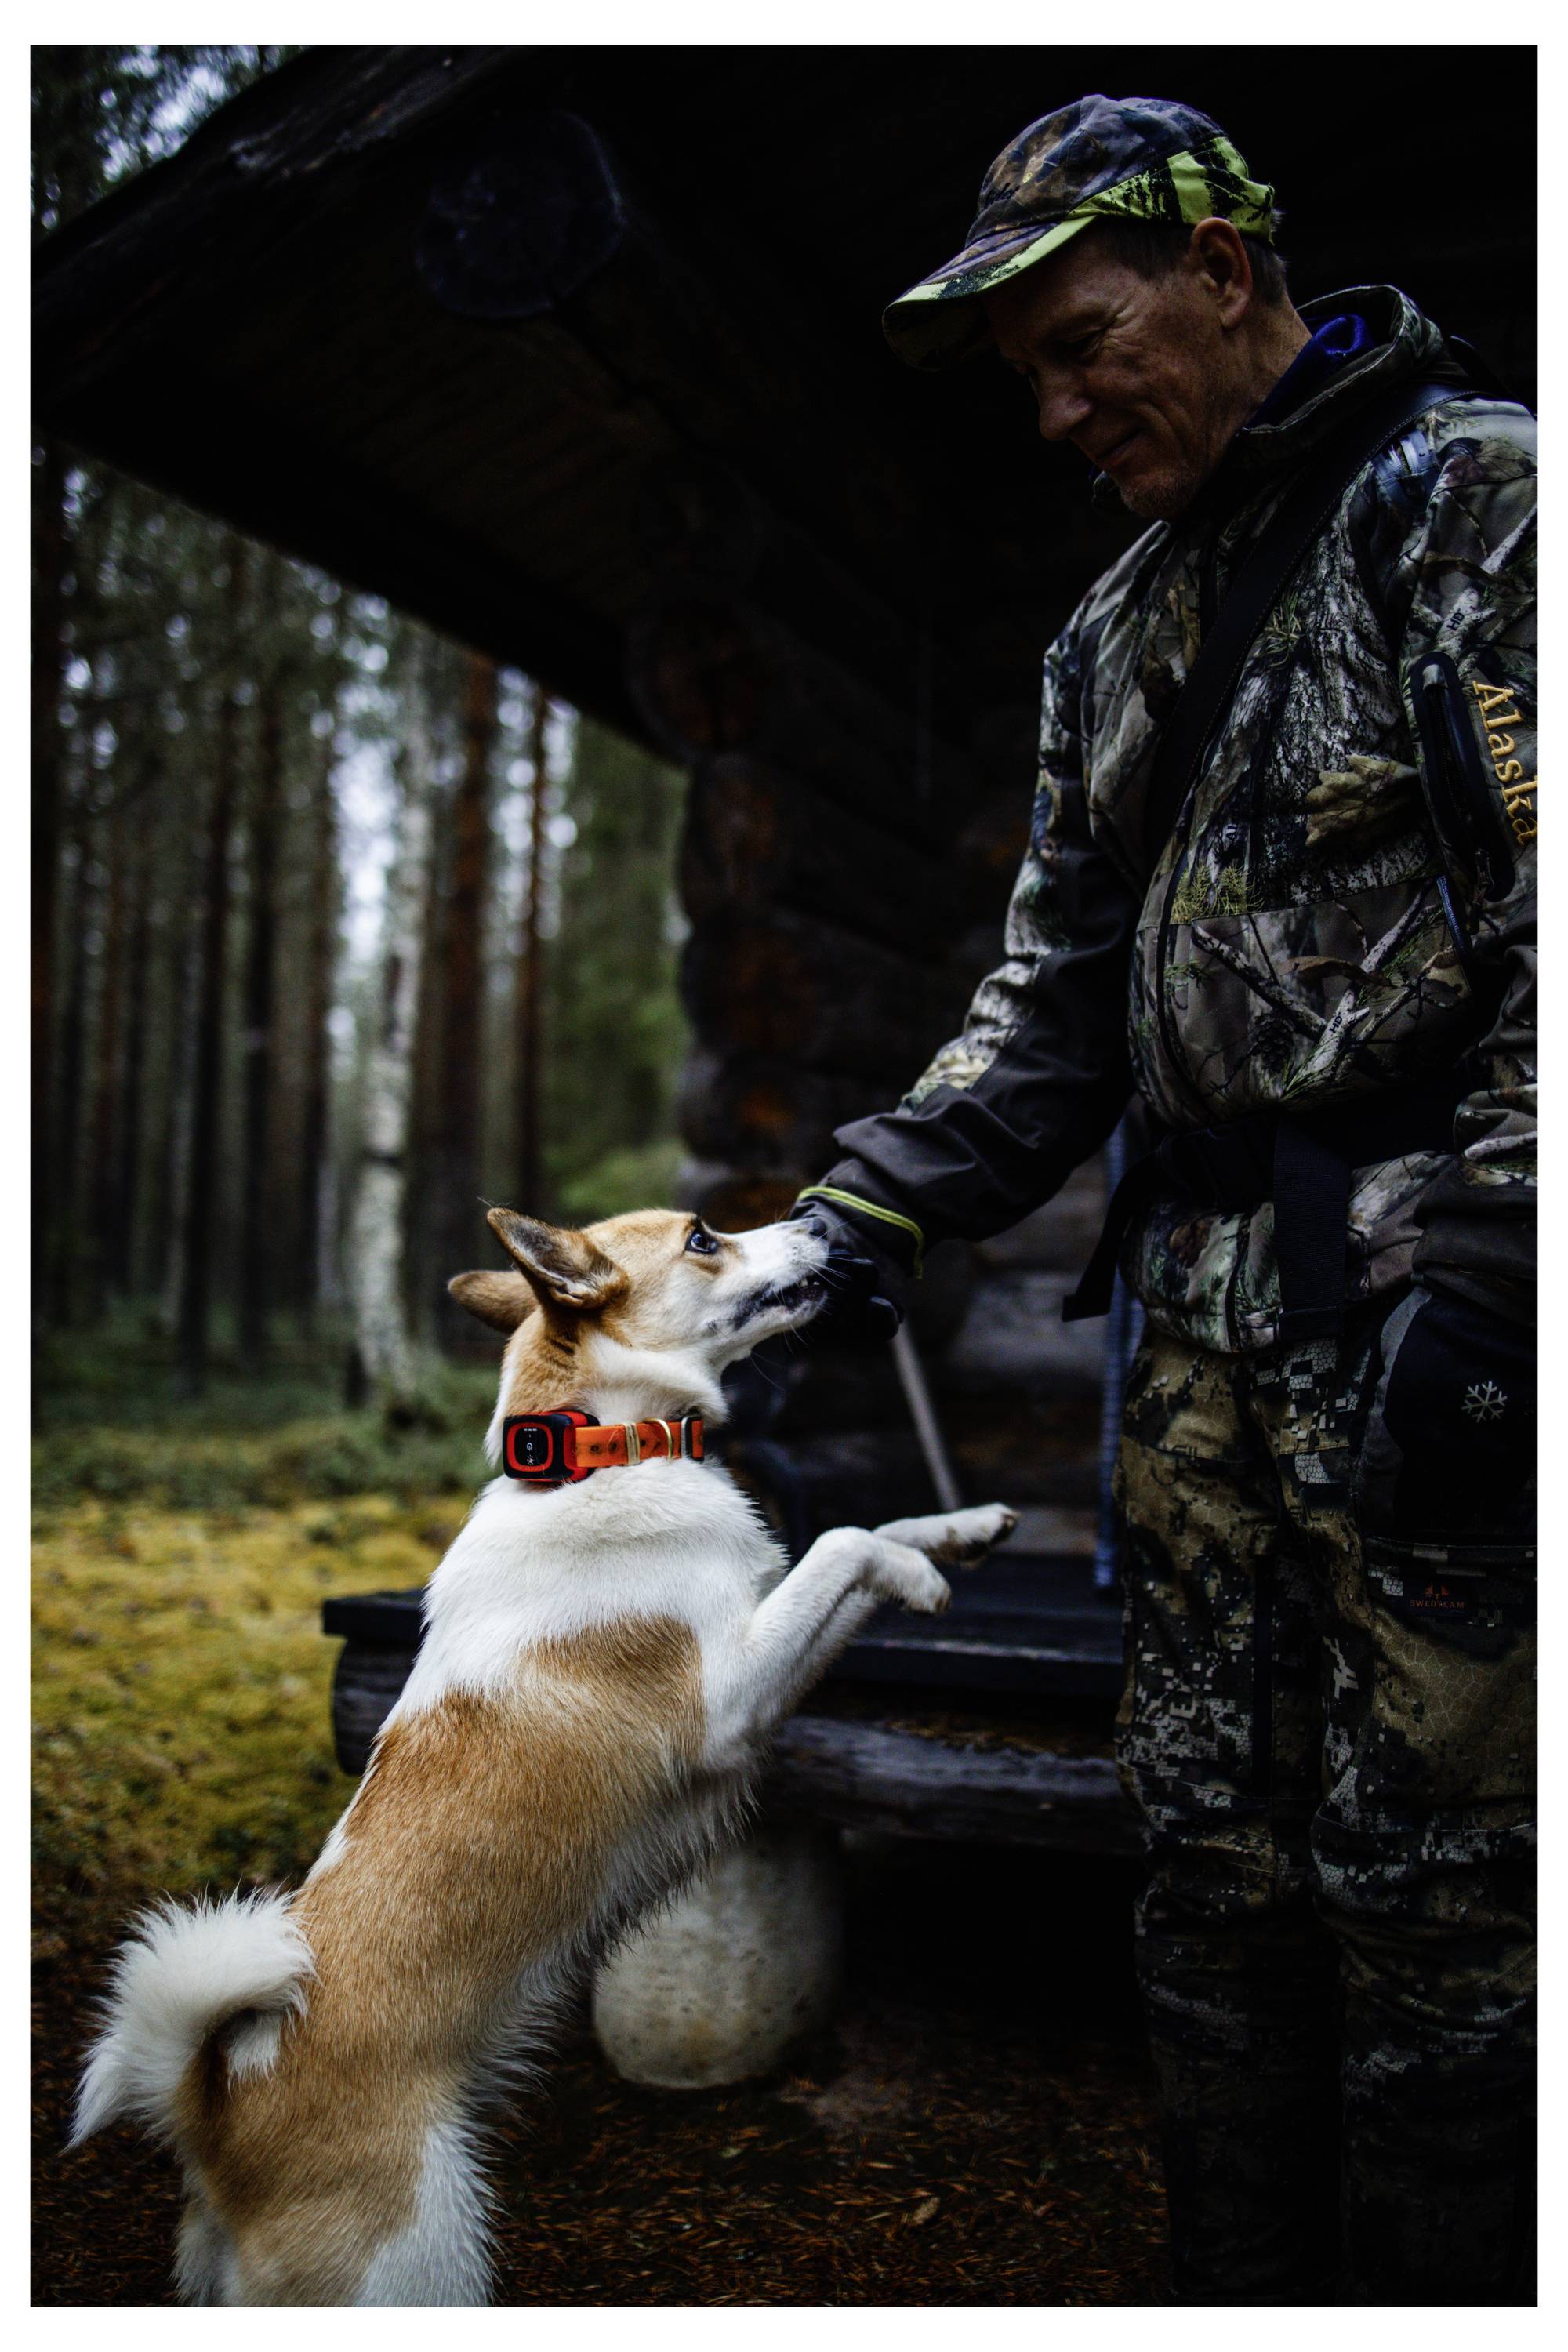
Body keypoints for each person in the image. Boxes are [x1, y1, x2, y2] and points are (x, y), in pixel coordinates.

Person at [789, 95, 1536, 2307]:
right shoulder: (1112, 634)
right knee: (1209, 1881)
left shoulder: (1482, 508)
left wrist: (1503, 1288)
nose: (1052, 410)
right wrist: (858, 1221)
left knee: (1440, 1909)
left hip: (1431, 1328)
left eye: (1082, 343)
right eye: (1024, 375)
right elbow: (1050, 1004)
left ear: (1221, 270)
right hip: (1195, 1358)